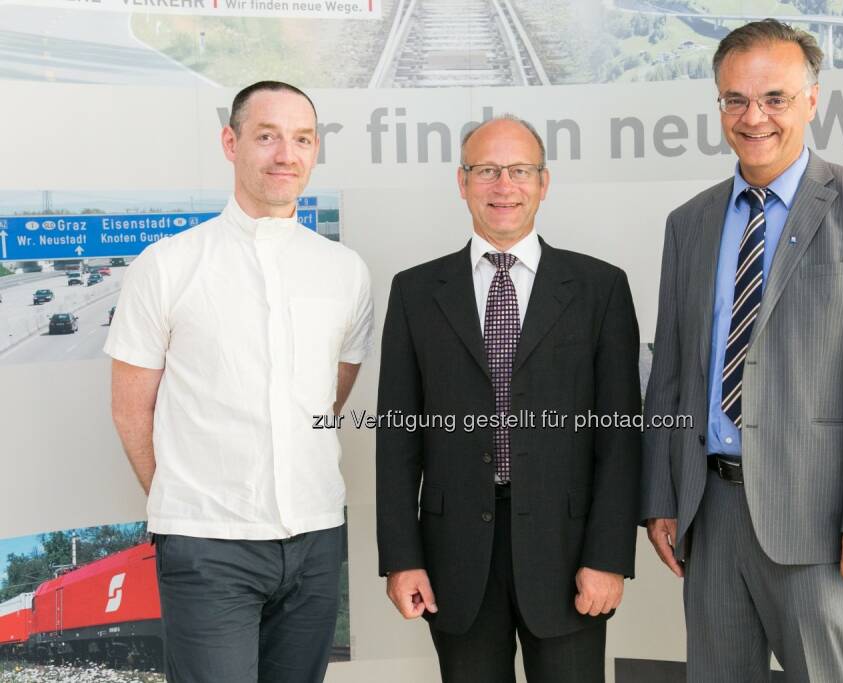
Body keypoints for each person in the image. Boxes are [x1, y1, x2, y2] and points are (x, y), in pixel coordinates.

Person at [641, 20, 843, 683]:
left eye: (774, 98)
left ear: (813, 100)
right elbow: (674, 372)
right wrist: (659, 497)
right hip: (709, 515)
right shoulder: (690, 222)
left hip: (816, 523)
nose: (753, 116)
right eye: (735, 99)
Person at [106, 81, 372, 683]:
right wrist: (183, 502)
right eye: (266, 136)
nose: (286, 154)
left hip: (316, 538)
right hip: (207, 546)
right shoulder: (168, 265)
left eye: (302, 138)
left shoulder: (345, 272)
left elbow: (330, 394)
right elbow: (130, 410)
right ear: (230, 143)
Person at [376, 115, 641, 683]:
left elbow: (619, 439)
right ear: (462, 181)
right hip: (455, 559)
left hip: (569, 556)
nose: (504, 186)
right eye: (487, 171)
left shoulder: (600, 288)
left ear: (543, 182)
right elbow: (397, 440)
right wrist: (402, 558)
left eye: (519, 170)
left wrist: (609, 556)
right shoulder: (416, 291)